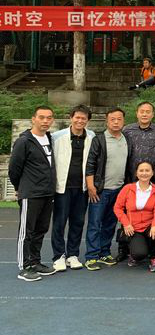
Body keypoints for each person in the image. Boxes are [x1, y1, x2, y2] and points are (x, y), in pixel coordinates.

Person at [10, 105, 57, 281]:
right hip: (31, 193)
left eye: (49, 118)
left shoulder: (49, 138)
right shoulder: (24, 141)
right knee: (26, 232)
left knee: (41, 229)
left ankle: (35, 262)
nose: (45, 121)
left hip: (47, 193)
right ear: (33, 119)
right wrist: (20, 188)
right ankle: (24, 267)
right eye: (41, 117)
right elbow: (14, 169)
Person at [84, 107, 131, 271]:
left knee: (110, 224)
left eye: (119, 119)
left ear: (123, 121)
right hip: (100, 190)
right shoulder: (99, 139)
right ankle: (91, 256)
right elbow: (90, 164)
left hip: (119, 191)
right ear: (107, 121)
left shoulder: (126, 139)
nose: (116, 122)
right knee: (95, 224)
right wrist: (91, 186)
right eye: (113, 119)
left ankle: (104, 252)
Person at [50, 105, 95, 272]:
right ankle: (58, 256)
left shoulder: (91, 137)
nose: (80, 121)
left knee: (78, 222)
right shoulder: (57, 137)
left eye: (84, 118)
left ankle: (73, 255)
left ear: (88, 120)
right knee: (59, 223)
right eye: (77, 117)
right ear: (71, 117)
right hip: (62, 187)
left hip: (82, 188)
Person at [122, 101, 155, 259]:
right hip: (131, 179)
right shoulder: (127, 130)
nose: (145, 114)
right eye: (142, 111)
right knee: (128, 211)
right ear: (137, 113)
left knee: (151, 211)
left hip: (150, 178)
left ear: (153, 114)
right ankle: (123, 248)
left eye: (148, 111)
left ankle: (151, 246)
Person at [114, 161, 155, 272]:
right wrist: (126, 224)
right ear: (136, 173)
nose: (144, 173)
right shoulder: (127, 188)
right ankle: (132, 252)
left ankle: (154, 258)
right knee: (139, 254)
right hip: (133, 228)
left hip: (149, 225)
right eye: (141, 170)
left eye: (147, 170)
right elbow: (117, 208)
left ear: (152, 173)